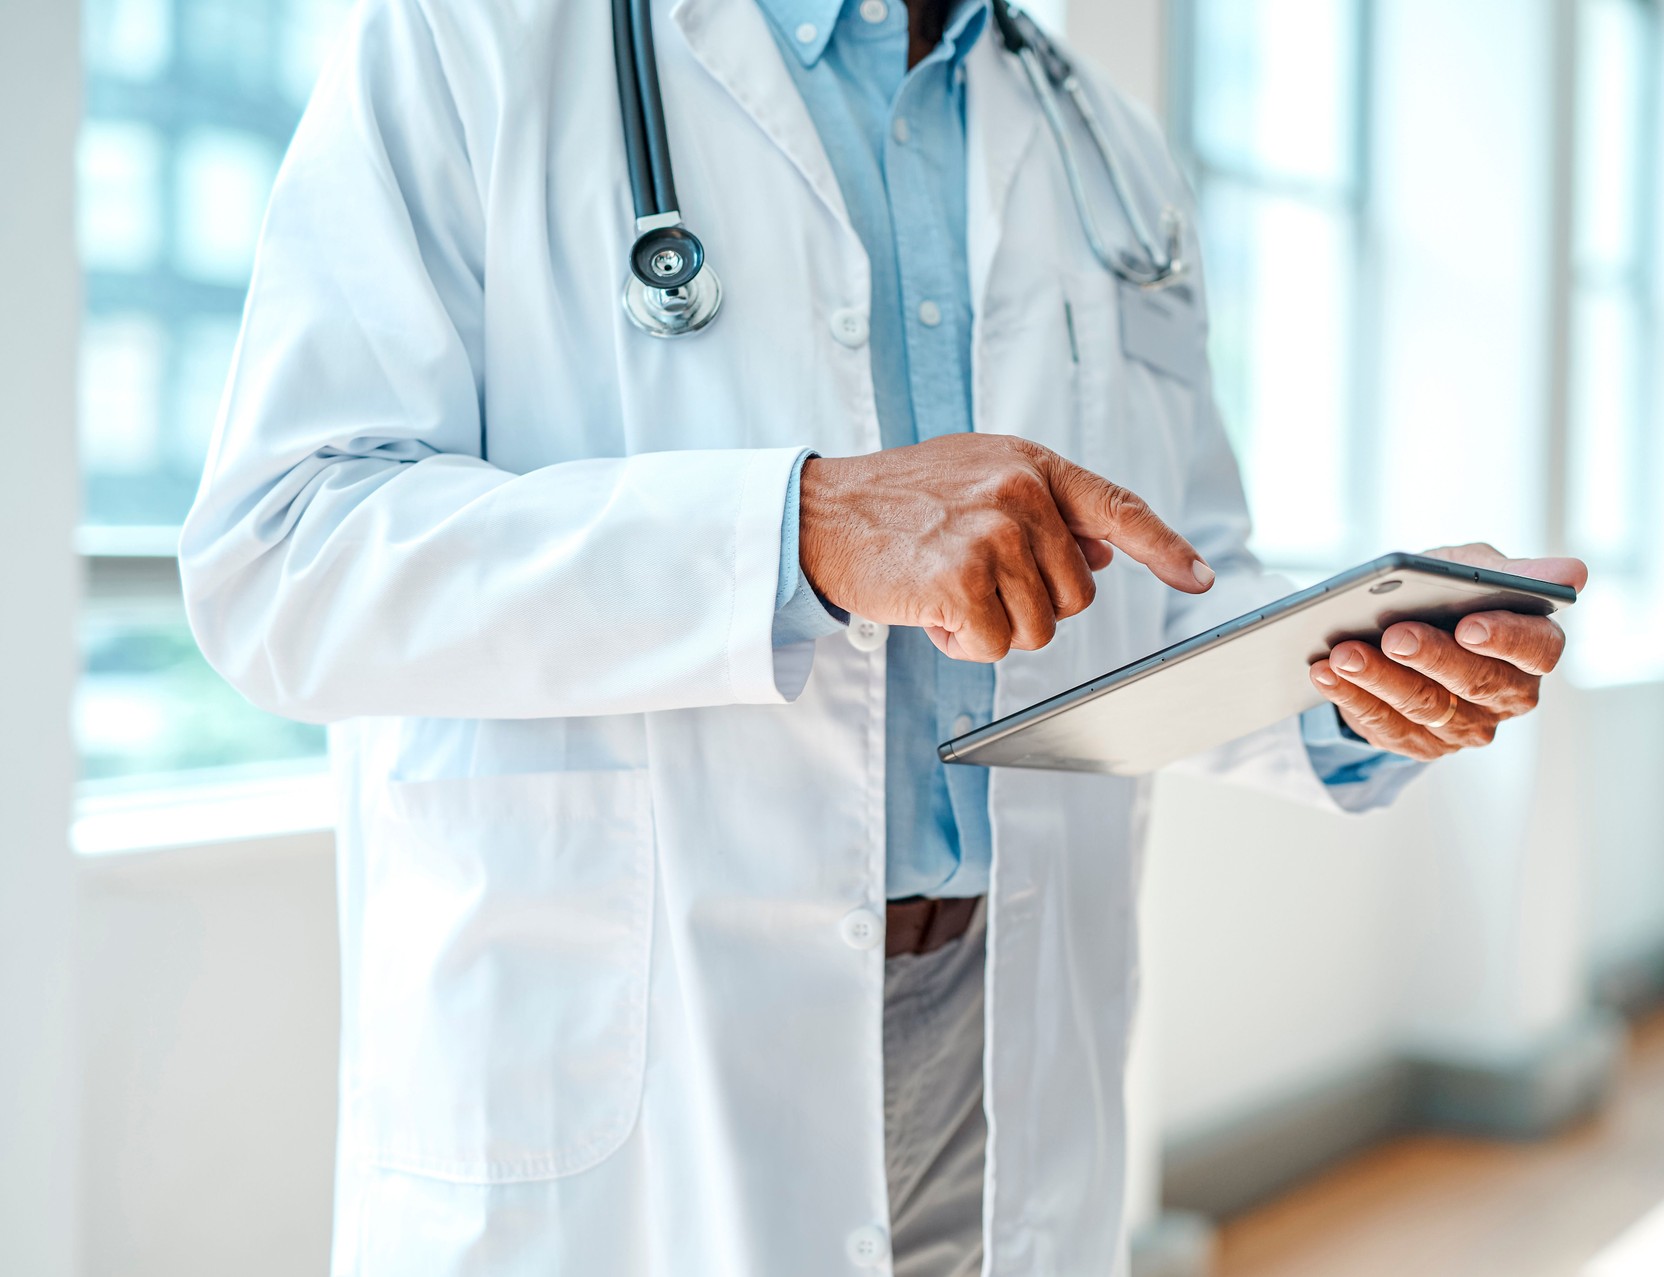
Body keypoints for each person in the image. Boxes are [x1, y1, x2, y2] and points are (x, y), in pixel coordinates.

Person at [180, 0, 1586, 1272]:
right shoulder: (474, 38)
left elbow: (1167, 581)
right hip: (641, 1071)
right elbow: (282, 553)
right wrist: (798, 529)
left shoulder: (1106, 146)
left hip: (1008, 1045)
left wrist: (1346, 673)